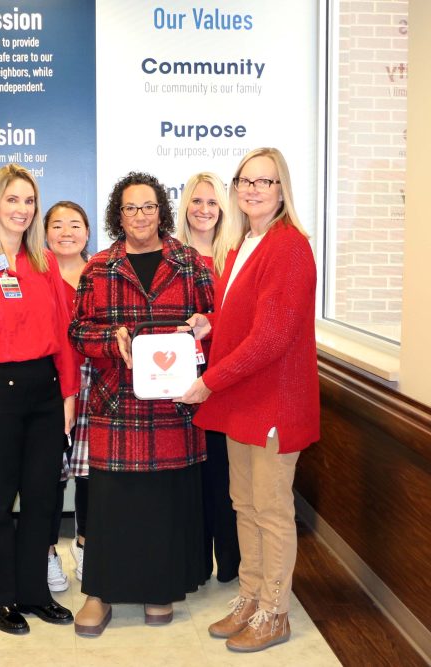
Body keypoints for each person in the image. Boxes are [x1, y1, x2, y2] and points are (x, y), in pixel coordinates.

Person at [178, 147, 320, 653]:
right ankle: (251, 597)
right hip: (243, 403)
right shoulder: (243, 246)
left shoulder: (289, 246)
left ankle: (275, 611)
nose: (254, 189)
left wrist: (209, 381)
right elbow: (248, 322)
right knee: (245, 504)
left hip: (274, 403)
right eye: (246, 180)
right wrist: (211, 325)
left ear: (282, 190)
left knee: (271, 509)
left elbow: (272, 339)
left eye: (266, 181)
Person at [69, 172, 214, 637]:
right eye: (130, 208)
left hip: (174, 405)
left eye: (148, 206)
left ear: (161, 210)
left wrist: (204, 324)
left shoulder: (189, 262)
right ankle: (100, 593)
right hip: (118, 403)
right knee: (112, 505)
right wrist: (110, 340)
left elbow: (217, 319)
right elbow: (78, 332)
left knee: (163, 503)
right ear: (118, 214)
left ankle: (159, 588)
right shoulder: (98, 268)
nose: (140, 216)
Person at [0, 164, 80, 635]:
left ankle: (35, 594)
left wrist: (68, 394)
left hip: (45, 391)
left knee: (43, 500)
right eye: (12, 200)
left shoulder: (43, 262)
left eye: (29, 201)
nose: (21, 210)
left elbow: (65, 336)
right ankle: (1, 596)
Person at [177, 172, 241, 584]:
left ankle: (231, 565)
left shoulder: (235, 256)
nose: (204, 210)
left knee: (224, 474)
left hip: (226, 378)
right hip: (180, 379)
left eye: (212, 203)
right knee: (190, 479)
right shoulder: (172, 256)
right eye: (196, 202)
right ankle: (194, 564)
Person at [43, 201, 91, 590]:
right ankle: (47, 552)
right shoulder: (35, 275)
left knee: (92, 474)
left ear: (87, 233)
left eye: (74, 224)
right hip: (48, 386)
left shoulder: (102, 274)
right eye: (57, 225)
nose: (66, 232)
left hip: (95, 385)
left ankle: (84, 544)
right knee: (48, 475)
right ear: (45, 235)